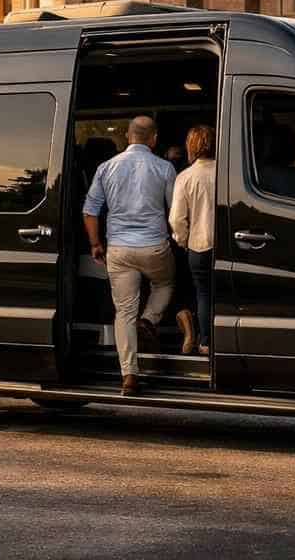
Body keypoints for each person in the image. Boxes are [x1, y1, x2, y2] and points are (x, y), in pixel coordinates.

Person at [82, 114, 177, 396]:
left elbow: (90, 210)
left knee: (123, 312)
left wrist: (96, 243)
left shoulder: (106, 167)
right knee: (165, 283)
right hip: (154, 246)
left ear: (128, 136)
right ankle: (149, 320)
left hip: (119, 249)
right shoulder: (164, 167)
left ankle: (129, 375)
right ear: (154, 138)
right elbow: (174, 210)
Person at [169, 124, 217, 357]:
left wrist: (183, 241)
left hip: (198, 245)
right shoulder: (225, 172)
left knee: (203, 293)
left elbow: (177, 219)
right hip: (226, 244)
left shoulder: (185, 177)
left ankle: (205, 341)